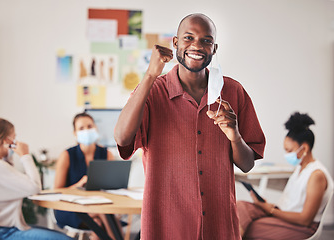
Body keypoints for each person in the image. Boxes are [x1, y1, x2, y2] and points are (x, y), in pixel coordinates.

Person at [114, 13, 266, 239]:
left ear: (214, 49)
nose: (197, 45)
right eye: (188, 38)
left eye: (206, 40)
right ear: (175, 43)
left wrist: (234, 136)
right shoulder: (154, 91)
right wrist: (150, 75)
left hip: (219, 224)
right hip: (166, 225)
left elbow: (246, 165)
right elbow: (122, 138)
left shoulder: (234, 92)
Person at [237, 112, 334, 239]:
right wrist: (268, 206)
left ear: (304, 148)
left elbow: (305, 220)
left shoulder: (317, 175)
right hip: (283, 216)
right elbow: (291, 203)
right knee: (239, 207)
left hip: (300, 227)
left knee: (245, 225)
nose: (287, 154)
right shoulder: (300, 169)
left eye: (289, 150)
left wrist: (271, 210)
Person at [0, 118, 72, 240]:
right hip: (5, 233)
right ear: (7, 141)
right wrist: (25, 155)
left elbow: (11, 182)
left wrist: (7, 157)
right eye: (14, 137)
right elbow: (35, 187)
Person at [53, 112, 118, 239]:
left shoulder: (107, 154)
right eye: (81, 128)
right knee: (103, 214)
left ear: (95, 128)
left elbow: (113, 186)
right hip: (71, 208)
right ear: (75, 134)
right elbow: (57, 191)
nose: (87, 130)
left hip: (98, 204)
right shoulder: (66, 156)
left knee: (99, 220)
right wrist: (78, 184)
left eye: (89, 126)